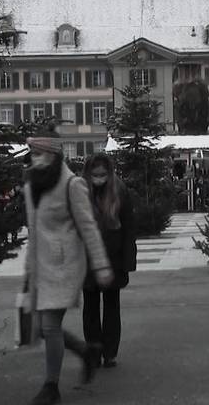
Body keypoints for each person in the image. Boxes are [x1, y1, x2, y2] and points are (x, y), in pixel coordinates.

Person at [23, 137, 114, 405]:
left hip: (65, 266)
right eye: (32, 153)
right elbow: (33, 230)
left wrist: (101, 265)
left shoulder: (72, 184)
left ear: (53, 155)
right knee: (39, 328)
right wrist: (29, 269)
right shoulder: (33, 185)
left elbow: (88, 228)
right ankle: (85, 351)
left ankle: (51, 386)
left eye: (39, 153)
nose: (35, 158)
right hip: (40, 266)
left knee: (49, 326)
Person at [81, 153, 137, 370]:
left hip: (114, 259)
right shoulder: (81, 191)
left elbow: (129, 227)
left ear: (109, 173)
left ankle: (110, 353)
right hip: (88, 259)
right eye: (95, 174)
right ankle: (94, 351)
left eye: (103, 174)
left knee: (112, 307)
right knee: (91, 308)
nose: (99, 178)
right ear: (89, 173)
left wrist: (128, 261)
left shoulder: (120, 190)